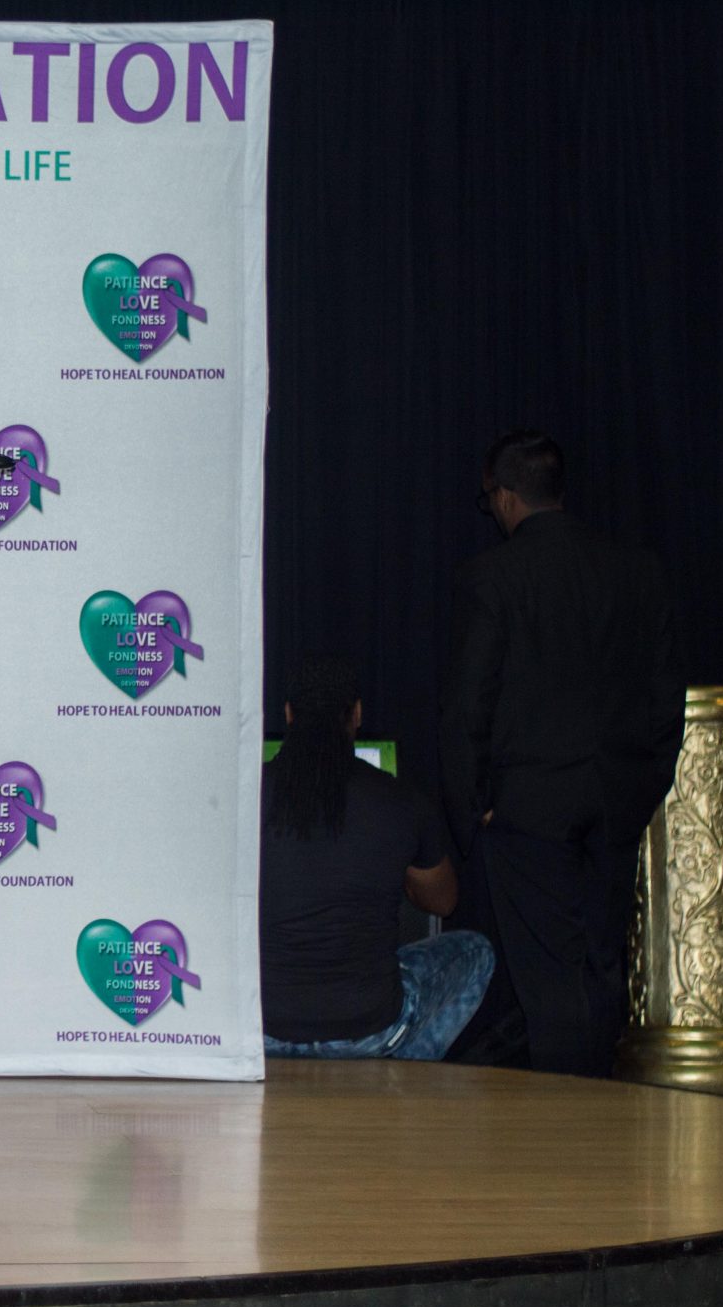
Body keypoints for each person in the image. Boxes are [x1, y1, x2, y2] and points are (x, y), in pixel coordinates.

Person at [441, 430, 683, 1077]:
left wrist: (474, 806)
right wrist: (644, 786)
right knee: (603, 965)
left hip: (528, 808)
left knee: (548, 979)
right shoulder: (639, 571)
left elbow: (467, 705)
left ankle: (567, 1118)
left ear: (505, 497)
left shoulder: (492, 577)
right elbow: (667, 697)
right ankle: (599, 1104)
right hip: (615, 802)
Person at [260, 652, 493, 1059]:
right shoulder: (402, 801)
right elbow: (443, 902)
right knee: (476, 951)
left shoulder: (244, 797)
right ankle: (397, 1079)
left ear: (288, 714)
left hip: (263, 1029)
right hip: (369, 1029)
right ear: (357, 714)